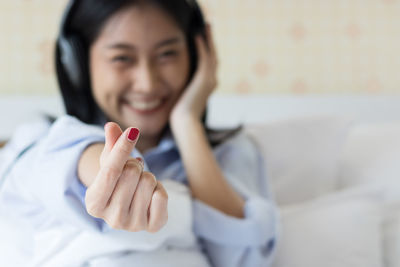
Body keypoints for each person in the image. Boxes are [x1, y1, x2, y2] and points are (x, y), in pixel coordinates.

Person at [0, 0, 278, 266]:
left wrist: (187, 123)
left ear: (196, 54)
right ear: (79, 64)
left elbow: (247, 259)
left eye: (167, 54)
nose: (147, 83)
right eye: (122, 58)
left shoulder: (231, 152)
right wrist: (108, 174)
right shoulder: (40, 139)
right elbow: (55, 163)